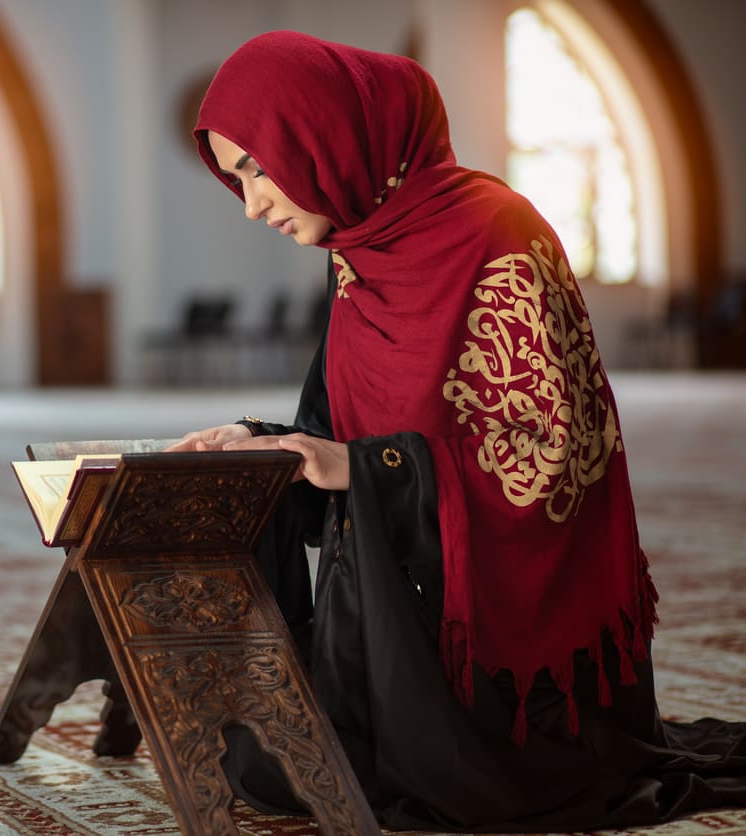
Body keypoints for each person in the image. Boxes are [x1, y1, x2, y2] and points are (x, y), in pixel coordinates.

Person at [167, 30, 746, 831]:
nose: (254, 204)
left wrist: (362, 469)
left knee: (422, 786)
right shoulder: (358, 253)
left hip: (505, 656)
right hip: (393, 607)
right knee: (269, 763)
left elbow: (552, 463)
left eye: (260, 170)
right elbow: (335, 432)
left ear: (327, 137)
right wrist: (258, 444)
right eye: (237, 180)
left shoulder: (497, 233)